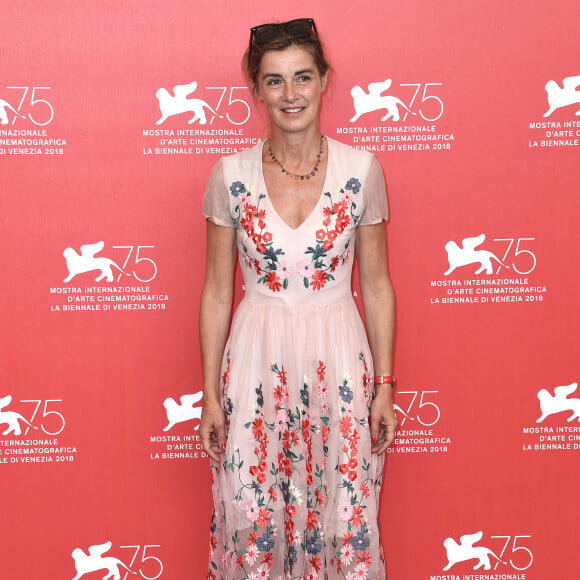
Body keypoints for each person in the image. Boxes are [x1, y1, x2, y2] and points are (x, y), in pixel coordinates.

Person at [199, 18, 396, 579]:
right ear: (257, 89)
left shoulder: (362, 171)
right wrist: (209, 394)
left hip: (338, 361)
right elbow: (217, 293)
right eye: (276, 81)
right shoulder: (229, 176)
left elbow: (377, 285)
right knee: (253, 510)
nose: (291, 94)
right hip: (255, 364)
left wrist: (384, 385)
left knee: (342, 508)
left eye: (303, 77)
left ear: (324, 80)